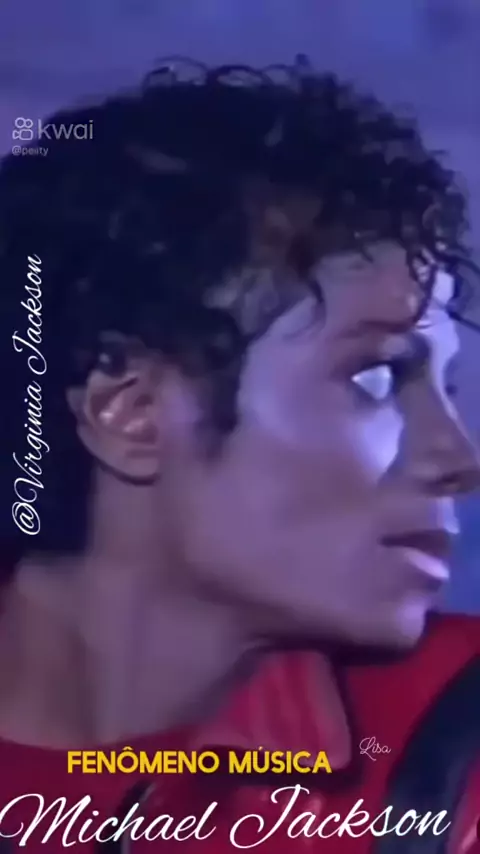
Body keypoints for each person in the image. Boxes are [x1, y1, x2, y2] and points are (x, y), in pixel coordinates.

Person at [0, 56, 479, 853]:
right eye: (375, 375)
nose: (458, 458)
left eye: (448, 388)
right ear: (131, 413)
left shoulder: (453, 744)